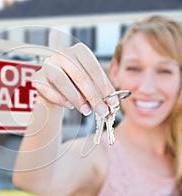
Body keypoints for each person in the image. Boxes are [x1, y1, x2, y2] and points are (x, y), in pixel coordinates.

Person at [12, 15, 182, 196]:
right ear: (115, 71)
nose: (147, 88)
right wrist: (49, 101)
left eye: (164, 71)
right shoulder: (98, 156)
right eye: (134, 68)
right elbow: (35, 180)